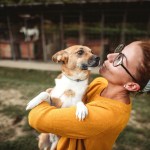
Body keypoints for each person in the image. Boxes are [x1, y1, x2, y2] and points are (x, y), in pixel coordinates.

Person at [28, 40, 150, 150]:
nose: (110, 56)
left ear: (131, 86)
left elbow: (36, 119)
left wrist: (48, 94)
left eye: (120, 59)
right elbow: (74, 97)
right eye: (119, 51)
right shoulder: (100, 83)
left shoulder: (106, 116)